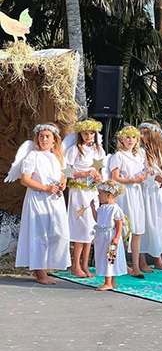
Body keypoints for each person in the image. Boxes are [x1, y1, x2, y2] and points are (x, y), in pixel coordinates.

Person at [7, 123, 69, 284]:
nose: (44, 139)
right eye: (41, 136)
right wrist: (45, 188)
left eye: (47, 136)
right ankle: (39, 271)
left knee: (57, 232)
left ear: (54, 139)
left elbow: (64, 174)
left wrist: (63, 183)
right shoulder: (33, 156)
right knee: (39, 233)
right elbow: (25, 179)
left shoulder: (58, 156)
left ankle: (48, 265)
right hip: (38, 198)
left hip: (55, 199)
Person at [63, 118, 105, 277]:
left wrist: (97, 177)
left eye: (91, 133)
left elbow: (99, 170)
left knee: (90, 229)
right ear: (80, 133)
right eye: (85, 133)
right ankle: (75, 265)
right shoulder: (75, 150)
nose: (88, 136)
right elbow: (65, 172)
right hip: (78, 194)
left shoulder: (98, 151)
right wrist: (84, 174)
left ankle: (85, 265)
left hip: (92, 193)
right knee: (81, 228)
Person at [138, 121, 162, 272]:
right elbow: (139, 171)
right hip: (148, 192)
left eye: (144, 133)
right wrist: (153, 178)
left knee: (161, 224)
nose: (141, 136)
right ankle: (141, 260)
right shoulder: (141, 151)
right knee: (147, 224)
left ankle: (158, 258)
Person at [108, 125, 147, 278]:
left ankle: (136, 266)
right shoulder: (118, 156)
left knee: (137, 230)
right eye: (127, 137)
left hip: (137, 193)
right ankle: (120, 263)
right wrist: (131, 180)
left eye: (133, 137)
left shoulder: (138, 156)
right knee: (123, 229)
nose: (130, 140)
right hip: (125, 193)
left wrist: (143, 177)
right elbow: (115, 177)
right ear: (121, 139)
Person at [92, 180, 127, 291]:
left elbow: (119, 223)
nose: (98, 196)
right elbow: (98, 219)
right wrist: (93, 209)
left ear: (108, 195)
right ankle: (112, 281)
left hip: (110, 238)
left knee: (109, 258)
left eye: (100, 194)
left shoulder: (115, 209)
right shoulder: (102, 208)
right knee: (104, 257)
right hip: (101, 238)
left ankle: (108, 282)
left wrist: (116, 237)